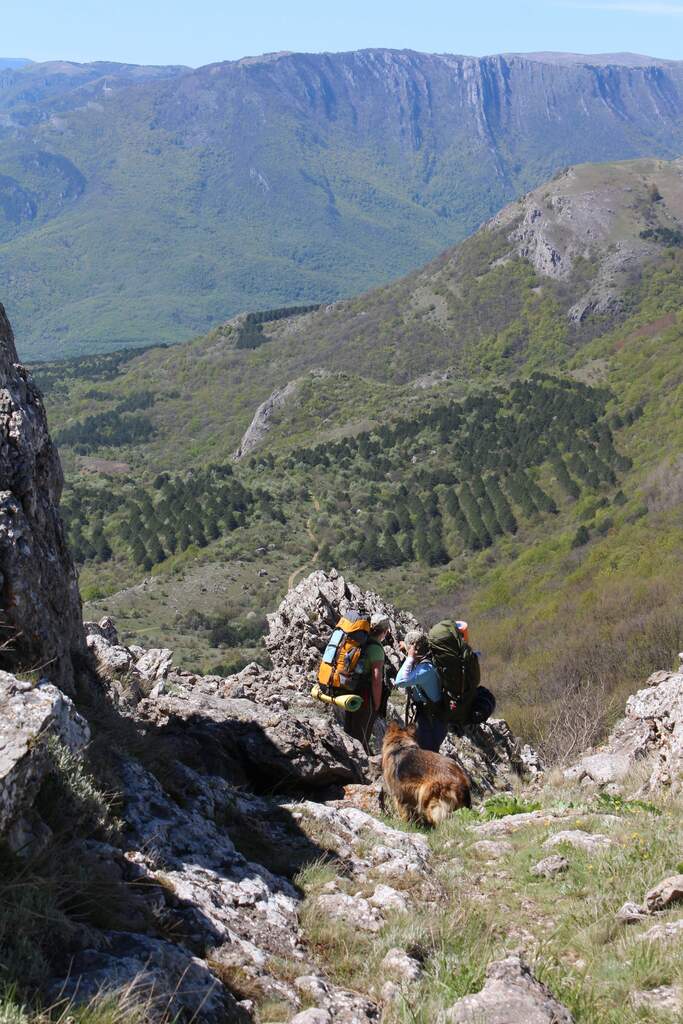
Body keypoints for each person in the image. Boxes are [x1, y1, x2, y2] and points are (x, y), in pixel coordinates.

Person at [333, 612, 389, 753]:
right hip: (365, 698)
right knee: (361, 738)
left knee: (350, 732)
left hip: (351, 692)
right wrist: (376, 704)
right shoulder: (376, 649)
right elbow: (377, 681)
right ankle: (359, 769)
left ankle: (349, 761)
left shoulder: (360, 642)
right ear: (385, 631)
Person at [393, 628, 448, 753]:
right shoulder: (426, 660)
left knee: (427, 757)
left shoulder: (426, 669)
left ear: (415, 650)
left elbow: (400, 681)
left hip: (432, 722)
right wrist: (407, 650)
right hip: (429, 717)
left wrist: (410, 657)